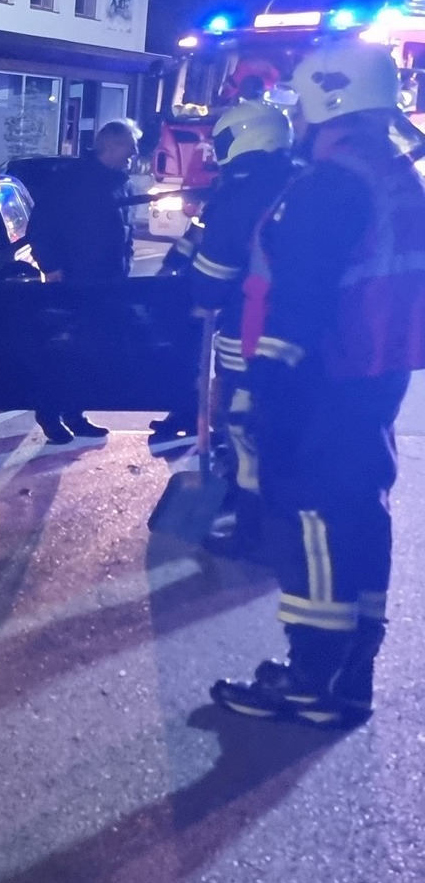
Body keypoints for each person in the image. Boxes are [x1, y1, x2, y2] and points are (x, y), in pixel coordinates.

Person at [212, 39, 425, 728]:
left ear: (327, 102)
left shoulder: (329, 183)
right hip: (375, 372)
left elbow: (300, 293)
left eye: (302, 106)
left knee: (312, 518)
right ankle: (348, 673)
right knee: (360, 512)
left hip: (324, 373)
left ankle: (312, 680)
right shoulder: (393, 175)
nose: (296, 120)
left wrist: (263, 383)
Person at [177, 101, 299, 559]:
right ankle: (279, 522)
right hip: (301, 338)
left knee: (248, 442)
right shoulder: (300, 179)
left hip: (249, 337)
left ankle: (254, 536)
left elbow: (210, 281)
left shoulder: (241, 192)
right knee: (285, 434)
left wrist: (194, 287)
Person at [27, 118, 141, 442]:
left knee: (91, 352)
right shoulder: (72, 181)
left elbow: (127, 232)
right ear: (113, 145)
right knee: (65, 351)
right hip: (74, 281)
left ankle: (76, 413)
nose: (134, 154)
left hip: (107, 282)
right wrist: (51, 267)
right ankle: (49, 412)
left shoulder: (122, 183)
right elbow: (41, 227)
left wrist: (125, 265)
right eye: (130, 147)